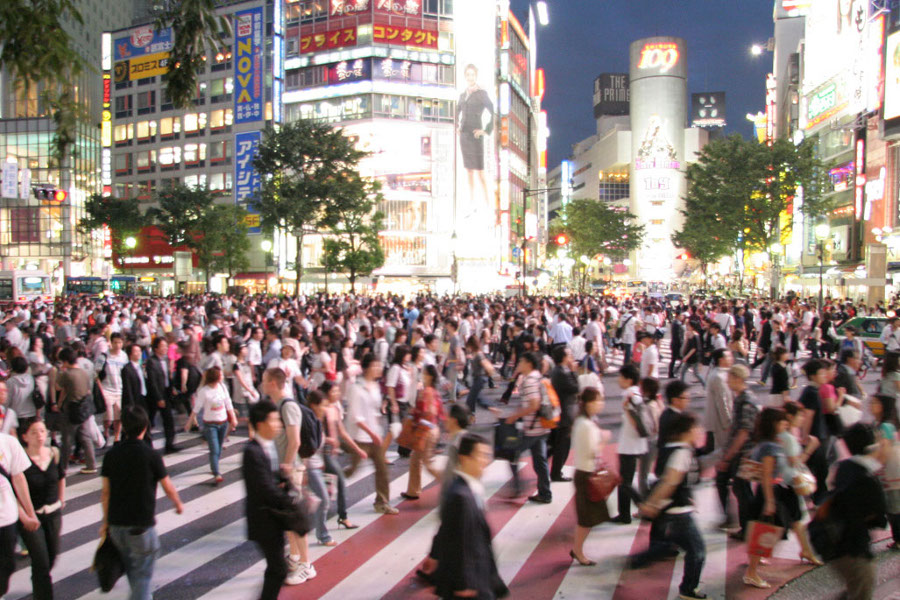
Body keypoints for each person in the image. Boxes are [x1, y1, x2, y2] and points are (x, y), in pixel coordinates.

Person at [100, 405, 184, 600]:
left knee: (134, 573)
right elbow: (168, 486)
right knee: (142, 578)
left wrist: (105, 523)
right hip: (141, 526)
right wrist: (177, 504)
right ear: (145, 427)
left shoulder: (111, 455)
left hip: (116, 525)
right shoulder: (150, 455)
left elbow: (106, 493)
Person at [742, 408, 821, 590]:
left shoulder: (765, 443)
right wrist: (770, 501)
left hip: (769, 492)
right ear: (774, 424)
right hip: (770, 492)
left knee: (767, 531)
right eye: (781, 421)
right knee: (766, 532)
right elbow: (767, 475)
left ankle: (754, 566)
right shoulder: (770, 446)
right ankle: (751, 573)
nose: (785, 424)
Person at [633, 412, 708, 600]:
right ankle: (688, 590)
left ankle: (642, 558)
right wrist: (652, 504)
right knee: (697, 551)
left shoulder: (670, 448)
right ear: (687, 431)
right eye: (696, 429)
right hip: (678, 513)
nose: (699, 432)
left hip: (672, 509)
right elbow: (669, 482)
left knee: (676, 545)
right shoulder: (682, 453)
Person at [433, 433, 509, 600]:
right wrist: (463, 583)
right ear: (464, 458)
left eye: (487, 455)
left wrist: (433, 555)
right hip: (469, 582)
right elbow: (457, 539)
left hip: (479, 573)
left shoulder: (469, 487)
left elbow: (448, 528)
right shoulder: (461, 496)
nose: (486, 461)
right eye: (481, 455)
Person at [262, 367, 315, 585]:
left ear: (273, 383)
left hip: (291, 469)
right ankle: (294, 557)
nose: (262, 383)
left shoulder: (288, 406)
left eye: (265, 380)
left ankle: (306, 564)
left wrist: (286, 466)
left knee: (294, 518)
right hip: (284, 469)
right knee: (287, 517)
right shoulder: (278, 405)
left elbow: (295, 441)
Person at [828, 423, 889, 600]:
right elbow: (879, 519)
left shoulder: (843, 468)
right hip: (857, 550)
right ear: (871, 446)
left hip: (837, 546)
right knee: (861, 591)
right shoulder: (869, 479)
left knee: (852, 589)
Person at [243, 400, 295, 600]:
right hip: (263, 521)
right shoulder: (252, 451)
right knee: (278, 569)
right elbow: (264, 487)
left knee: (277, 568)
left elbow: (270, 481)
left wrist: (282, 480)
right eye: (274, 420)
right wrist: (290, 503)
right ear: (261, 424)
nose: (278, 424)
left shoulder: (267, 446)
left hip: (271, 519)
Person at [17, 418, 65, 600]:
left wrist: (61, 500)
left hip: (53, 514)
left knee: (51, 557)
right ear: (25, 436)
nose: (40, 436)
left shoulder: (54, 453)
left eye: (42, 431)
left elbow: (61, 476)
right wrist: (24, 516)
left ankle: (38, 584)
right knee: (41, 562)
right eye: (34, 432)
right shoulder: (20, 459)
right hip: (32, 518)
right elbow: (15, 492)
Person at [501, 352, 552, 503]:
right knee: (540, 461)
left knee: (512, 454)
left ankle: (518, 487)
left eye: (521, 361)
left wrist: (515, 416)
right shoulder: (539, 376)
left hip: (531, 428)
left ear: (529, 364)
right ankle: (545, 493)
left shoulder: (530, 380)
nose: (518, 363)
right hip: (542, 426)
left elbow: (534, 404)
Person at [715, 364, 757, 535]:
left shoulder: (746, 401)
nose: (727, 381)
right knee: (736, 488)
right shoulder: (741, 398)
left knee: (742, 490)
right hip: (738, 451)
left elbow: (744, 432)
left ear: (738, 379)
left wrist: (728, 457)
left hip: (743, 453)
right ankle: (741, 523)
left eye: (730, 378)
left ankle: (747, 527)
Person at [570, 387, 609, 566]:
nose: (600, 404)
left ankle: (577, 550)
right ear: (587, 404)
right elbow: (593, 452)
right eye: (596, 401)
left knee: (588, 518)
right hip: (586, 475)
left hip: (586, 473)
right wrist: (604, 440)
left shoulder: (585, 421)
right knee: (586, 519)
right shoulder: (585, 425)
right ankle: (578, 551)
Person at [320, 381, 365, 530]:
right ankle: (343, 517)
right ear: (326, 393)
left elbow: (342, 432)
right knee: (339, 480)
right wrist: (328, 440)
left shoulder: (334, 408)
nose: (337, 394)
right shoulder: (321, 409)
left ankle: (317, 516)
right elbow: (316, 432)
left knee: (324, 486)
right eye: (334, 392)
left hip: (332, 452)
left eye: (338, 391)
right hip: (323, 452)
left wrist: (357, 449)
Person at [0, 430, 39, 598]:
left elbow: (18, 479)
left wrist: (30, 514)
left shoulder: (8, 442)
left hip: (6, 516)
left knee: (7, 565)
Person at [186, 367, 238, 485]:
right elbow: (197, 408)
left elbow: (228, 403)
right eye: (221, 375)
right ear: (216, 377)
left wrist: (233, 418)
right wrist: (190, 421)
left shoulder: (222, 387)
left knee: (218, 448)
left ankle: (214, 464)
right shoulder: (204, 391)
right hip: (210, 424)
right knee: (214, 448)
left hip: (223, 422)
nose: (223, 377)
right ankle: (216, 472)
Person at [404, 364, 444, 500]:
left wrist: (415, 417)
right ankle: (412, 491)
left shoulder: (425, 391)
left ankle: (452, 483)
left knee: (428, 463)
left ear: (430, 376)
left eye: (425, 373)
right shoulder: (435, 392)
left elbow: (426, 411)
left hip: (426, 430)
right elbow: (441, 413)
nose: (422, 376)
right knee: (416, 459)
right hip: (433, 429)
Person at [613, 364, 647, 524]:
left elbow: (636, 419)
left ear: (628, 379)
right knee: (624, 480)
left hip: (630, 444)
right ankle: (624, 513)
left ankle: (644, 505)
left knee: (625, 481)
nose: (618, 380)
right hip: (634, 443)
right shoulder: (637, 392)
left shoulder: (630, 394)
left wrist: (636, 425)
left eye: (621, 377)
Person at [55, 347, 97, 474]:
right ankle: (91, 464)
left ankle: (63, 466)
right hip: (84, 408)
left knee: (67, 439)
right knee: (85, 437)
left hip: (71, 409)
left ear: (66, 361)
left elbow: (57, 387)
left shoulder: (66, 374)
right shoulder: (83, 372)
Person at [870, 394, 899, 547]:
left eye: (875, 403)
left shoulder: (885, 426)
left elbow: (885, 449)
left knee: (894, 506)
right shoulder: (881, 424)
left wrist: (874, 465)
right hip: (890, 468)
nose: (870, 405)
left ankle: (899, 539)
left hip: (892, 469)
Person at [549, 345, 579, 483]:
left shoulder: (557, 370)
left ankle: (555, 470)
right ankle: (556, 472)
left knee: (558, 444)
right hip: (565, 412)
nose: (571, 357)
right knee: (563, 446)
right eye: (569, 355)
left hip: (561, 411)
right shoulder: (564, 372)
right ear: (563, 358)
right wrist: (574, 372)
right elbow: (575, 388)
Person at [146, 337, 177, 453]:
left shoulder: (165, 360)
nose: (165, 348)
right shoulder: (151, 361)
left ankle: (170, 444)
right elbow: (152, 381)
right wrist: (158, 397)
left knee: (169, 420)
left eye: (166, 346)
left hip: (166, 393)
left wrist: (171, 388)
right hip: (156, 395)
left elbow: (167, 377)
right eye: (162, 346)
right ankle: (148, 446)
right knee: (150, 420)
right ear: (156, 348)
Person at [97, 332, 128, 442]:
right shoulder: (104, 356)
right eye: (115, 342)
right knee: (108, 417)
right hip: (107, 389)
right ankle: (105, 432)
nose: (117, 345)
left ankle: (116, 437)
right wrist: (100, 390)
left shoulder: (124, 356)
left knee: (118, 417)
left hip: (120, 389)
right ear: (111, 343)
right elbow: (96, 374)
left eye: (120, 343)